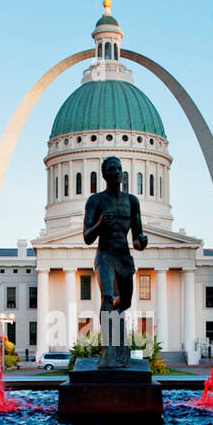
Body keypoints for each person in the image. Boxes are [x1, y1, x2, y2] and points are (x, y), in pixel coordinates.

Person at [83, 155, 149, 368]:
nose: (117, 172)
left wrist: (141, 242)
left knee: (125, 303)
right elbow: (87, 237)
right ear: (104, 174)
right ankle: (108, 349)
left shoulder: (132, 202)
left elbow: (137, 236)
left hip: (123, 257)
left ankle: (120, 345)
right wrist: (101, 224)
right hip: (105, 256)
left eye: (119, 168)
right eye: (112, 169)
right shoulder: (96, 201)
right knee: (108, 297)